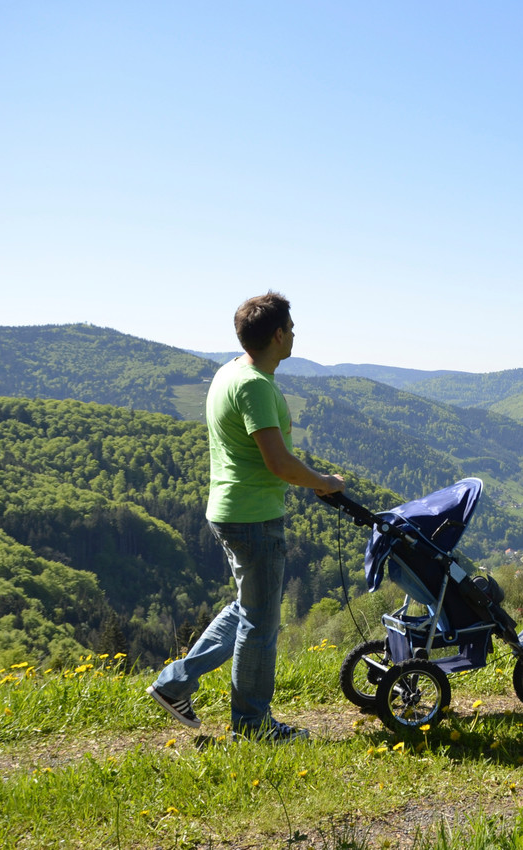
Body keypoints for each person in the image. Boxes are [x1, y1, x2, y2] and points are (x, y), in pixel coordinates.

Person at [147, 292, 345, 742]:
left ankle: (175, 683)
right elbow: (278, 462)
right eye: (290, 328)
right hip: (254, 517)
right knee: (261, 623)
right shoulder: (255, 385)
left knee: (248, 608)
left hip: (229, 509)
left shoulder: (229, 372)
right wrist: (323, 481)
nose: (294, 334)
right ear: (277, 335)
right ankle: (252, 725)